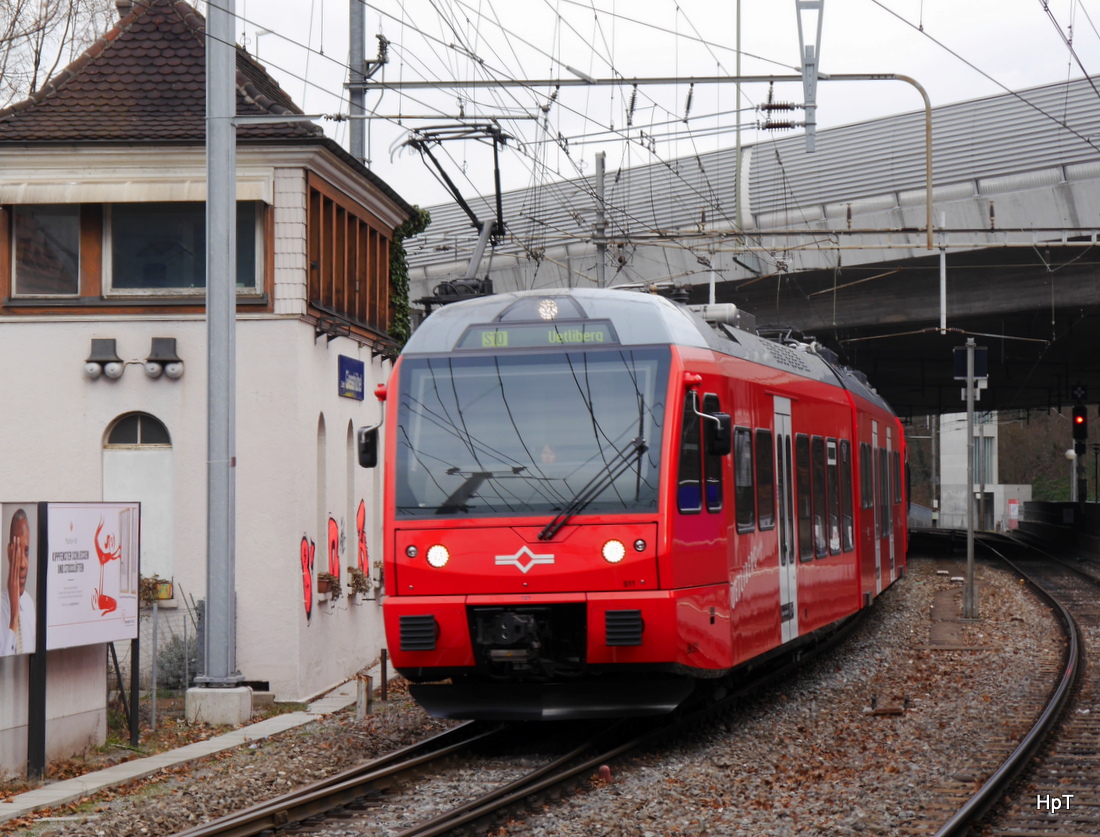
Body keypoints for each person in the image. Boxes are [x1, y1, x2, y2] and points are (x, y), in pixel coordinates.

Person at [0, 508, 35, 656]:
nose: (22, 564)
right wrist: (14, 617)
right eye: (17, 552)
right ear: (9, 553)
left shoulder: (28, 603)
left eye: (26, 552)